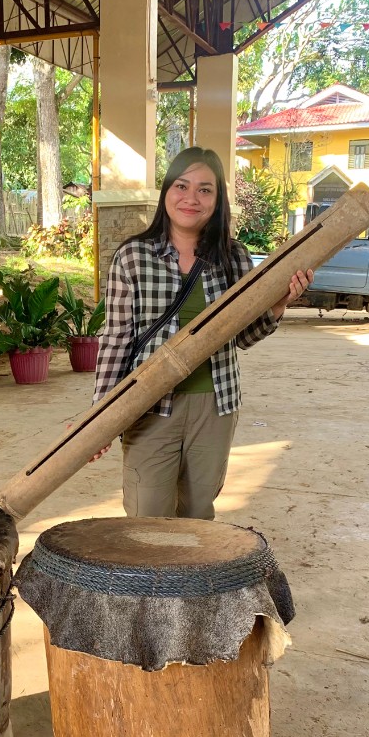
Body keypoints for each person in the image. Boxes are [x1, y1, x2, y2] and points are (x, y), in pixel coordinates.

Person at [90, 146, 311, 520]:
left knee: (197, 515)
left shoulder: (234, 256)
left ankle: (191, 580)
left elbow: (244, 336)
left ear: (218, 199)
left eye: (205, 189)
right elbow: (117, 339)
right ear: (166, 193)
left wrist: (279, 304)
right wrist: (101, 417)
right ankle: (152, 580)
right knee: (148, 517)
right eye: (182, 185)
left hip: (215, 405)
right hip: (149, 404)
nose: (191, 198)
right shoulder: (133, 256)